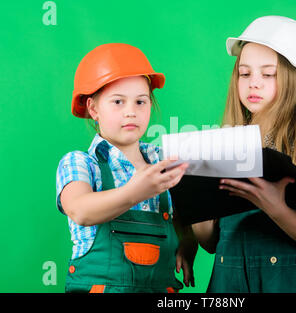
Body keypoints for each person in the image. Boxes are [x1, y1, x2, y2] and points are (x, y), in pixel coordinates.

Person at [192, 16, 296, 293]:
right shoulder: (225, 146)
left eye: (267, 74)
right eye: (245, 74)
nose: (253, 83)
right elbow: (210, 243)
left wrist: (275, 206)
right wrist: (196, 203)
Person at [56, 43, 197, 293]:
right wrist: (137, 191)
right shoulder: (80, 163)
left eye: (140, 102)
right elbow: (80, 210)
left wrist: (186, 241)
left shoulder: (164, 161)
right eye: (118, 102)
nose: (131, 112)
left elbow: (183, 212)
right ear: (93, 108)